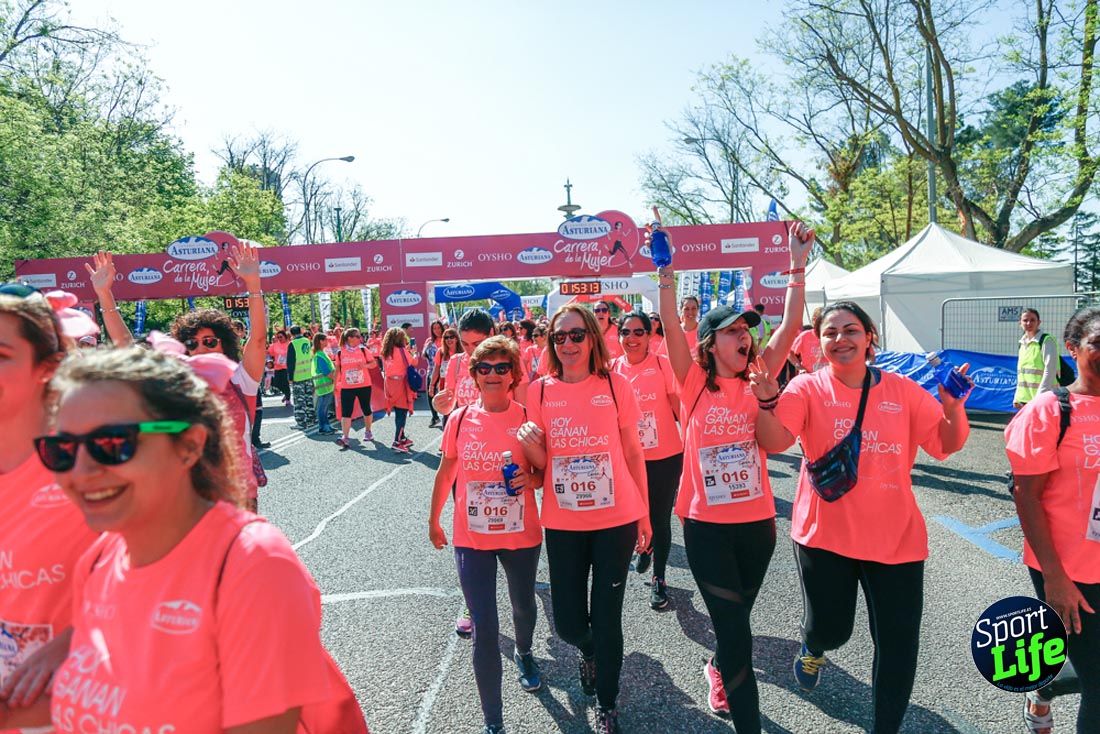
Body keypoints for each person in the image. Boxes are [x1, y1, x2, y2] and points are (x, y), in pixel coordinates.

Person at [0, 346, 369, 732]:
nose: (82, 470)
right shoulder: (99, 560)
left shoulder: (252, 564)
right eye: (63, 449)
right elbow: (111, 703)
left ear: (190, 444)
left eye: (112, 444)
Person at [754, 300, 971, 734]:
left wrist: (952, 404)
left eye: (850, 330)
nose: (840, 339)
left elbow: (946, 443)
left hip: (897, 541)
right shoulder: (806, 389)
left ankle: (885, 726)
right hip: (824, 535)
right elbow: (775, 441)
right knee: (833, 631)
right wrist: (764, 402)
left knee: (897, 646)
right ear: (818, 344)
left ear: (869, 337)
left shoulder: (904, 390)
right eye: (830, 333)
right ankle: (814, 643)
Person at [656, 219, 811, 728]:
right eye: (733, 331)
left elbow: (790, 326)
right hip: (706, 526)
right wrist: (665, 271)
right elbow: (671, 325)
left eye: (746, 330)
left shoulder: (760, 375)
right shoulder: (693, 380)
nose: (745, 337)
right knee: (736, 629)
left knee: (737, 621)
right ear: (710, 344)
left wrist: (796, 265)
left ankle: (718, 663)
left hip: (758, 524)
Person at [517, 304, 652, 734]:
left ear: (592, 337)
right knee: (571, 622)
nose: (569, 344)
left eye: (577, 335)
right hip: (564, 522)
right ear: (552, 343)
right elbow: (540, 471)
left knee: (608, 615)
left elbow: (633, 451)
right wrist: (530, 444)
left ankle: (608, 702)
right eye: (560, 337)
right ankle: (588, 650)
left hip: (617, 519)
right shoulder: (539, 391)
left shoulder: (615, 385)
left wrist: (646, 513)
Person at [86, 246, 268, 513]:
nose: (201, 348)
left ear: (225, 344)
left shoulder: (240, 380)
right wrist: (104, 293)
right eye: (192, 343)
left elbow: (259, 340)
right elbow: (126, 347)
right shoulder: (175, 380)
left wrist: (253, 284)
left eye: (209, 341)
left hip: (236, 495)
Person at [428, 337, 544, 734]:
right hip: (471, 537)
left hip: (520, 535)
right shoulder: (460, 419)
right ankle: (493, 722)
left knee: (523, 607)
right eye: (484, 368)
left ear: (513, 373)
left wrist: (531, 477)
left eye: (501, 367)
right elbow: (446, 471)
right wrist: (434, 520)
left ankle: (525, 652)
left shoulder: (528, 417)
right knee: (484, 625)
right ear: (474, 375)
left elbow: (544, 475)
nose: (492, 374)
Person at [0, 284, 100, 722]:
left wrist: (72, 639)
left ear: (49, 366)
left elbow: (164, 579)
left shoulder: (97, 461)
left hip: (88, 702)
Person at [1006, 306, 1100, 734]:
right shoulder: (1050, 410)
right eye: (1097, 342)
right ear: (1072, 349)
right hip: (1073, 571)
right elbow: (1027, 496)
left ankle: (1043, 687)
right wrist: (1055, 579)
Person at [434, 309, 527, 637]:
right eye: (466, 343)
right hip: (469, 453)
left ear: (494, 333)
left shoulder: (509, 362)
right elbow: (449, 404)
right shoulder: (457, 363)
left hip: (502, 455)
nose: (472, 350)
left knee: (506, 527)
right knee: (470, 531)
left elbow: (524, 408)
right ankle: (471, 601)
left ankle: (519, 585)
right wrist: (440, 405)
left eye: (479, 342)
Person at [610, 311, 682, 610]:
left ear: (650, 334)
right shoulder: (612, 369)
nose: (632, 339)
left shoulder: (662, 365)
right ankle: (645, 546)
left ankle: (659, 578)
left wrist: (693, 444)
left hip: (664, 455)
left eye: (638, 332)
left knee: (660, 516)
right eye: (625, 332)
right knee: (633, 514)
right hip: (627, 458)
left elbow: (680, 409)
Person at [334, 327, 377, 448]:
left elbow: (374, 364)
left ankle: (368, 431)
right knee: (346, 412)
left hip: (364, 385)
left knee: (366, 409)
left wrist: (365, 365)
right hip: (347, 387)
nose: (360, 338)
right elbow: (337, 370)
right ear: (350, 338)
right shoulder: (340, 352)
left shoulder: (363, 350)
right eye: (358, 336)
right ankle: (345, 437)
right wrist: (335, 385)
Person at [1015, 308, 1060, 409]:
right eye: (1025, 320)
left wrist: (1040, 397)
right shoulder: (1022, 343)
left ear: (1039, 322)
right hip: (1025, 400)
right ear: (1020, 323)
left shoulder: (1046, 341)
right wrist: (1017, 397)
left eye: (1032, 320)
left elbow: (1050, 371)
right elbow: (1021, 374)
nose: (1028, 323)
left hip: (1043, 399)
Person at [381, 327, 415, 453]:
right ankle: (396, 441)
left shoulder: (385, 352)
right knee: (402, 413)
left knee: (398, 411)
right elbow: (413, 363)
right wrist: (414, 352)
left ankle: (402, 437)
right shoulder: (402, 351)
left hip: (389, 383)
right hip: (400, 383)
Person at [287, 325, 317, 429]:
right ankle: (311, 419)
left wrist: (290, 377)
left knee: (299, 400)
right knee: (309, 398)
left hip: (297, 376)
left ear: (291, 334)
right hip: (308, 374)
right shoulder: (307, 341)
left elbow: (291, 362)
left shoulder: (292, 344)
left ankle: (301, 422)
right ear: (300, 331)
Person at [430, 327, 460, 431]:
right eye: (446, 337)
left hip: (458, 385)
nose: (449, 340)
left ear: (457, 338)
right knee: (446, 412)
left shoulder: (462, 352)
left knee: (458, 411)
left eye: (452, 337)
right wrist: (432, 385)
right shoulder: (441, 352)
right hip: (444, 385)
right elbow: (436, 369)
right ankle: (447, 439)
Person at [311, 332, 337, 435]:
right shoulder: (320, 355)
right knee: (322, 408)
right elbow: (327, 372)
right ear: (321, 341)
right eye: (326, 340)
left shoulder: (321, 353)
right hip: (324, 386)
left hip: (325, 386)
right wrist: (336, 379)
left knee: (324, 407)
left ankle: (326, 425)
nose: (327, 341)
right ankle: (323, 427)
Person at [790, 307, 826, 373]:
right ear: (814, 320)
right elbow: (790, 353)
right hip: (809, 376)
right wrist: (799, 367)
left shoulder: (832, 336)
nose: (823, 324)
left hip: (828, 377)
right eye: (821, 321)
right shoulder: (805, 336)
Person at [425, 320, 445, 428]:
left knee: (443, 395)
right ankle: (434, 417)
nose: (437, 330)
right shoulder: (429, 341)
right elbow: (424, 355)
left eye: (438, 328)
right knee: (430, 394)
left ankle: (446, 417)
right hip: (431, 370)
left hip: (443, 371)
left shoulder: (446, 339)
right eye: (434, 328)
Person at [268, 331, 292, 406]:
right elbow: (269, 353)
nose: (279, 338)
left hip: (286, 367)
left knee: (285, 383)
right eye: (278, 337)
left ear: (285, 336)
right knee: (276, 383)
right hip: (277, 367)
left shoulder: (290, 344)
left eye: (281, 337)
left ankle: (288, 399)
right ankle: (286, 393)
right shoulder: (274, 345)